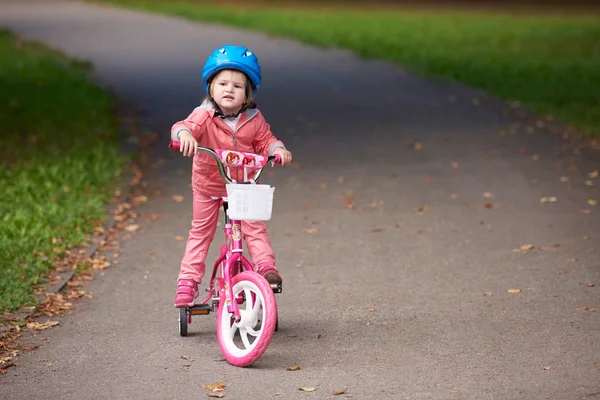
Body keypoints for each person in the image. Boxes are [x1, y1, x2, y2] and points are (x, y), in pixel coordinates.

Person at [170, 45, 293, 308]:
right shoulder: (204, 115)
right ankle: (188, 281)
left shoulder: (254, 118)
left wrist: (277, 149)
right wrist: (185, 136)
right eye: (223, 83)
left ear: (247, 94)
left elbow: (265, 140)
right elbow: (184, 127)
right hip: (208, 186)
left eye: (237, 86)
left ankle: (266, 269)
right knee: (201, 232)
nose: (229, 89)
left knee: (254, 227)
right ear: (210, 87)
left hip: (243, 185)